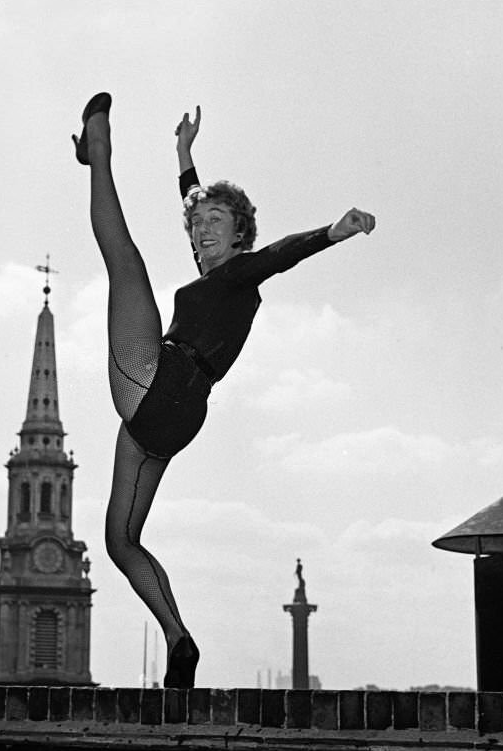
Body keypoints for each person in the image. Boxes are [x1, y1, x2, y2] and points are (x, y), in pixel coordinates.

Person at [72, 92, 375, 687]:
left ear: (240, 238)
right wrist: (185, 154)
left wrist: (331, 233)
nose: (202, 229)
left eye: (217, 224)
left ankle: (98, 151)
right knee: (121, 541)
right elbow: (200, 203)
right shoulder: (221, 271)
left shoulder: (240, 272)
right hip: (176, 418)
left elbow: (277, 257)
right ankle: (179, 640)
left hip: (165, 378)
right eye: (198, 224)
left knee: (124, 261)